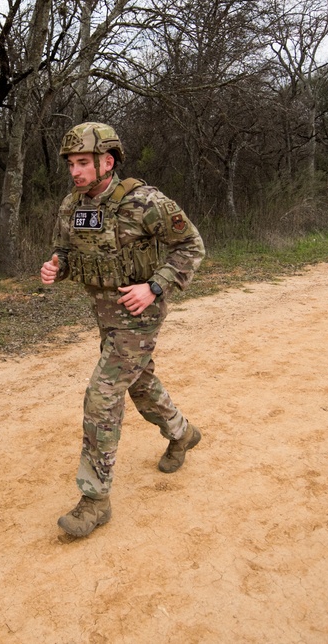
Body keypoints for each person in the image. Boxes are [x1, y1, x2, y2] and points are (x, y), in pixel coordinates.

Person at [40, 122, 206, 538]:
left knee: (103, 395)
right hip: (106, 316)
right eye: (71, 164)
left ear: (106, 162)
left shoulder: (146, 202)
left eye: (83, 162)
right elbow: (65, 250)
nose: (75, 171)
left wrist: (155, 287)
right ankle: (182, 433)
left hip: (140, 314)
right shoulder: (71, 205)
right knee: (140, 383)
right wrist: (55, 267)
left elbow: (192, 246)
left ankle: (94, 500)